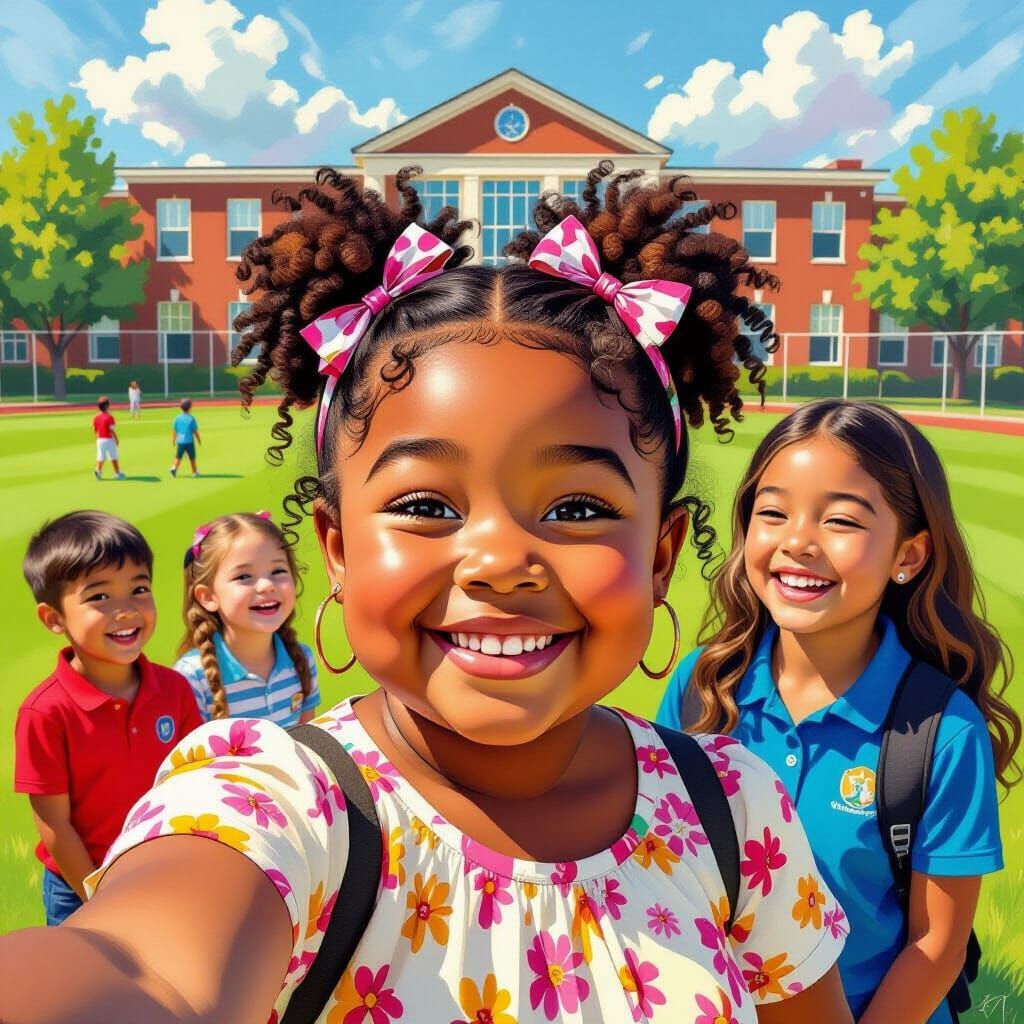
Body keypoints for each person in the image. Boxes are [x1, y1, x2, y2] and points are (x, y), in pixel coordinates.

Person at [0, 165, 853, 1023]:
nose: (497, 561)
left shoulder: (734, 814)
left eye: (580, 508)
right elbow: (143, 969)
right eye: (424, 506)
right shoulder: (282, 805)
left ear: (662, 555)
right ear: (336, 550)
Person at [656, 400, 1020, 1023]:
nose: (798, 542)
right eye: (773, 513)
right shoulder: (701, 687)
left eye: (842, 521)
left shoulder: (941, 732)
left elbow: (935, 946)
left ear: (909, 556)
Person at [13, 511, 203, 926]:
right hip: (79, 887)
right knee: (82, 985)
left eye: (139, 589)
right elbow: (55, 825)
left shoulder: (174, 689)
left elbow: (193, 783)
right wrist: (100, 896)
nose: (125, 610)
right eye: (99, 597)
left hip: (160, 871)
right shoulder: (45, 711)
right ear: (53, 618)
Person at [173, 511, 319, 727]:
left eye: (277, 570)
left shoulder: (302, 660)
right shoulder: (192, 678)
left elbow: (308, 742)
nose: (266, 585)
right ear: (208, 596)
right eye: (243, 577)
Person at [92, 396, 124, 480]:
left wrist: (97, 439)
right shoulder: (110, 417)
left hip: (100, 440)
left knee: (101, 457)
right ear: (107, 406)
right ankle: (118, 473)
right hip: (109, 439)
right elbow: (112, 430)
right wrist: (117, 439)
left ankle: (98, 471)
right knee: (113, 456)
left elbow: (95, 430)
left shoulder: (96, 417)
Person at [169, 397, 201, 477]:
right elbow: (195, 431)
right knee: (192, 458)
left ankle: (174, 468)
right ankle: (194, 472)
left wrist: (173, 440)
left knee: (178, 457)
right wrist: (198, 439)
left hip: (180, 442)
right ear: (190, 408)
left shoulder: (177, 418)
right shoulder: (191, 419)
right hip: (189, 442)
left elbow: (174, 430)